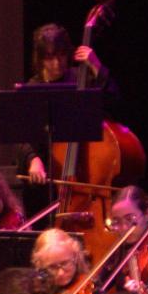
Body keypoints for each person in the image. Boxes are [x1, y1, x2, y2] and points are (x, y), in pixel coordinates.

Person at [18, 23, 120, 187]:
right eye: (50, 57)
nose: (57, 63)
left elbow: (113, 100)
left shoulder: (81, 79)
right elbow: (24, 135)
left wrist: (97, 66)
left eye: (61, 55)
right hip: (50, 176)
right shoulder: (33, 88)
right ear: (40, 59)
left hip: (87, 169)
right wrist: (33, 159)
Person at [31, 227, 89, 294]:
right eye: (52, 267)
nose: (60, 273)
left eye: (65, 263)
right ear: (41, 266)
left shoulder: (90, 287)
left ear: (75, 256)